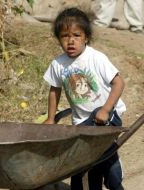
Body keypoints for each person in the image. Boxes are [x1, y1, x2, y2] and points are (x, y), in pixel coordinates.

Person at [43, 7, 126, 190]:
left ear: (86, 37)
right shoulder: (58, 64)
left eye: (76, 35)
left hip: (107, 117)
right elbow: (54, 90)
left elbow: (119, 83)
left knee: (105, 161)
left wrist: (106, 109)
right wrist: (50, 118)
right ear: (58, 39)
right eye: (65, 36)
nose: (71, 41)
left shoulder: (96, 58)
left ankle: (115, 180)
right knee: (83, 165)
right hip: (81, 123)